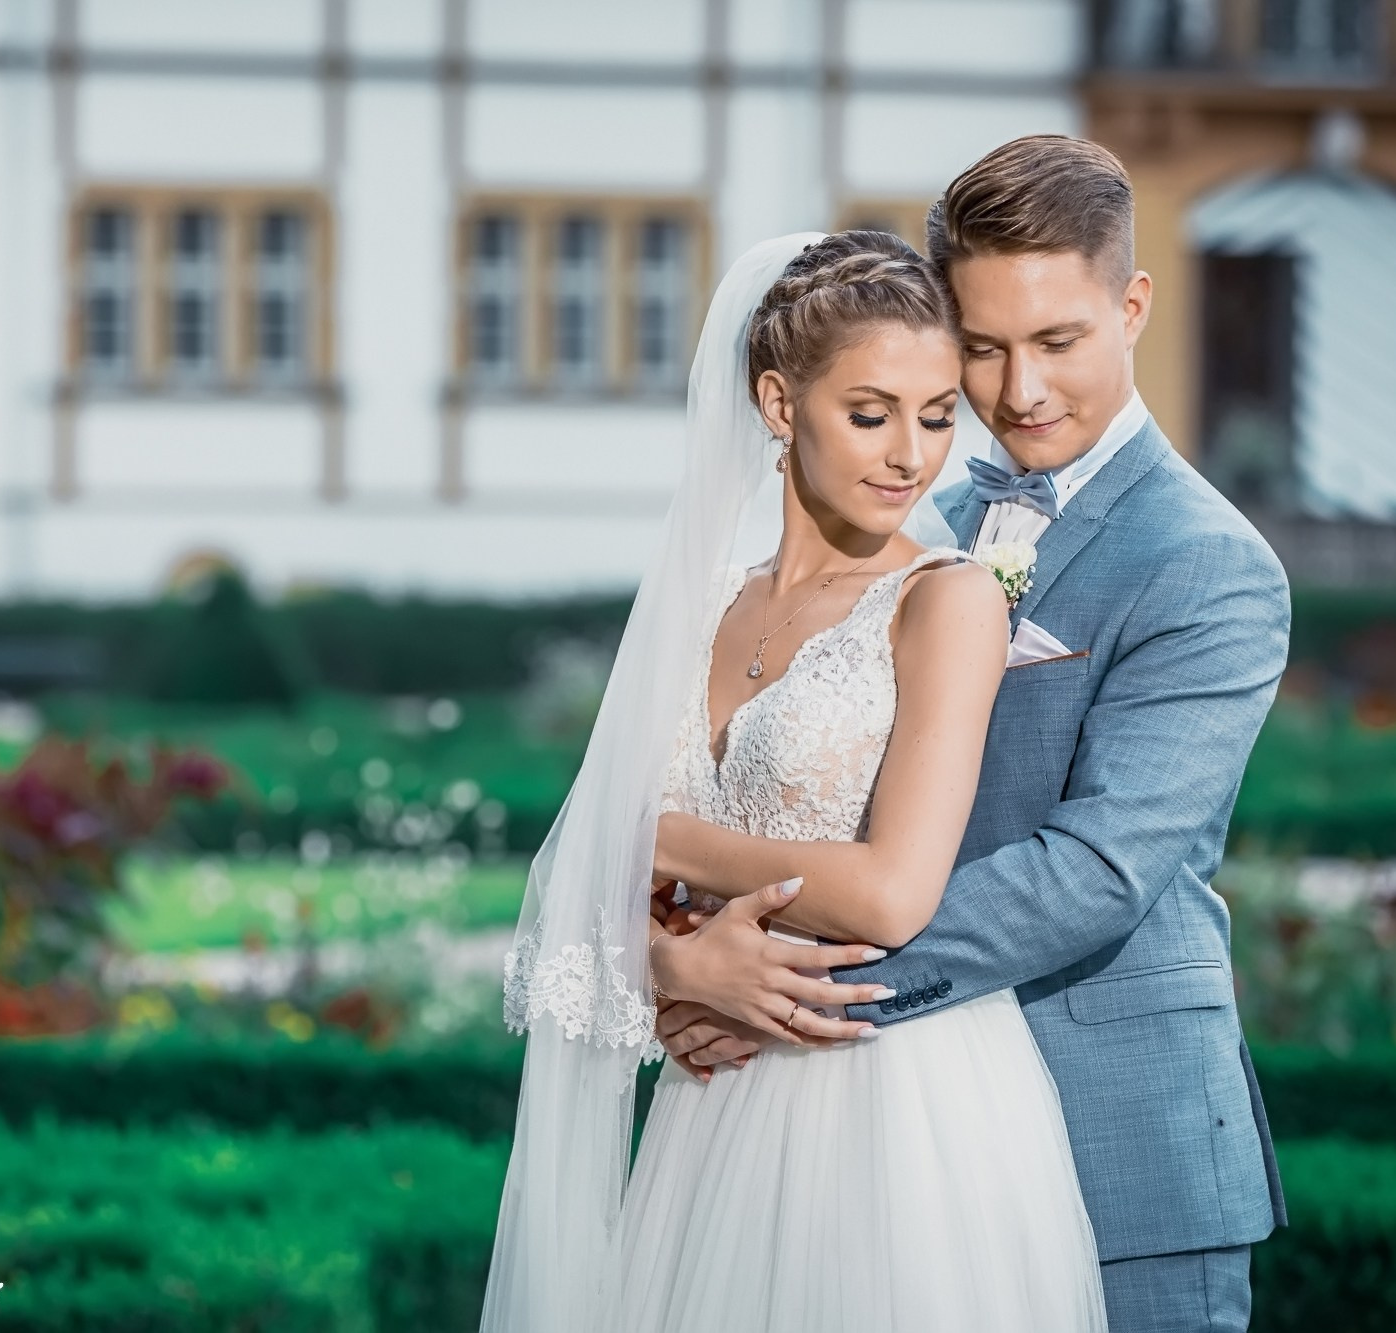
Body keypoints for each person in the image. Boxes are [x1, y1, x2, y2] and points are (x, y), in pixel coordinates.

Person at [649, 135, 1290, 1333]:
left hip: (1118, 1144)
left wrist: (781, 989)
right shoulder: (905, 511)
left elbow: (1093, 873)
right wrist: (677, 960)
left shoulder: (1209, 567)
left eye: (1055, 341)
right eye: (982, 349)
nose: (1017, 390)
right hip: (876, 1150)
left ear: (1132, 305)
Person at [484, 226, 1107, 1333]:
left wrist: (660, 837)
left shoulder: (948, 600)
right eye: (868, 414)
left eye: (933, 416)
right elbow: (573, 898)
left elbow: (888, 893)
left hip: (890, 1106)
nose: (909, 455)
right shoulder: (701, 600)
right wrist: (676, 964)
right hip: (712, 1098)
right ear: (778, 406)